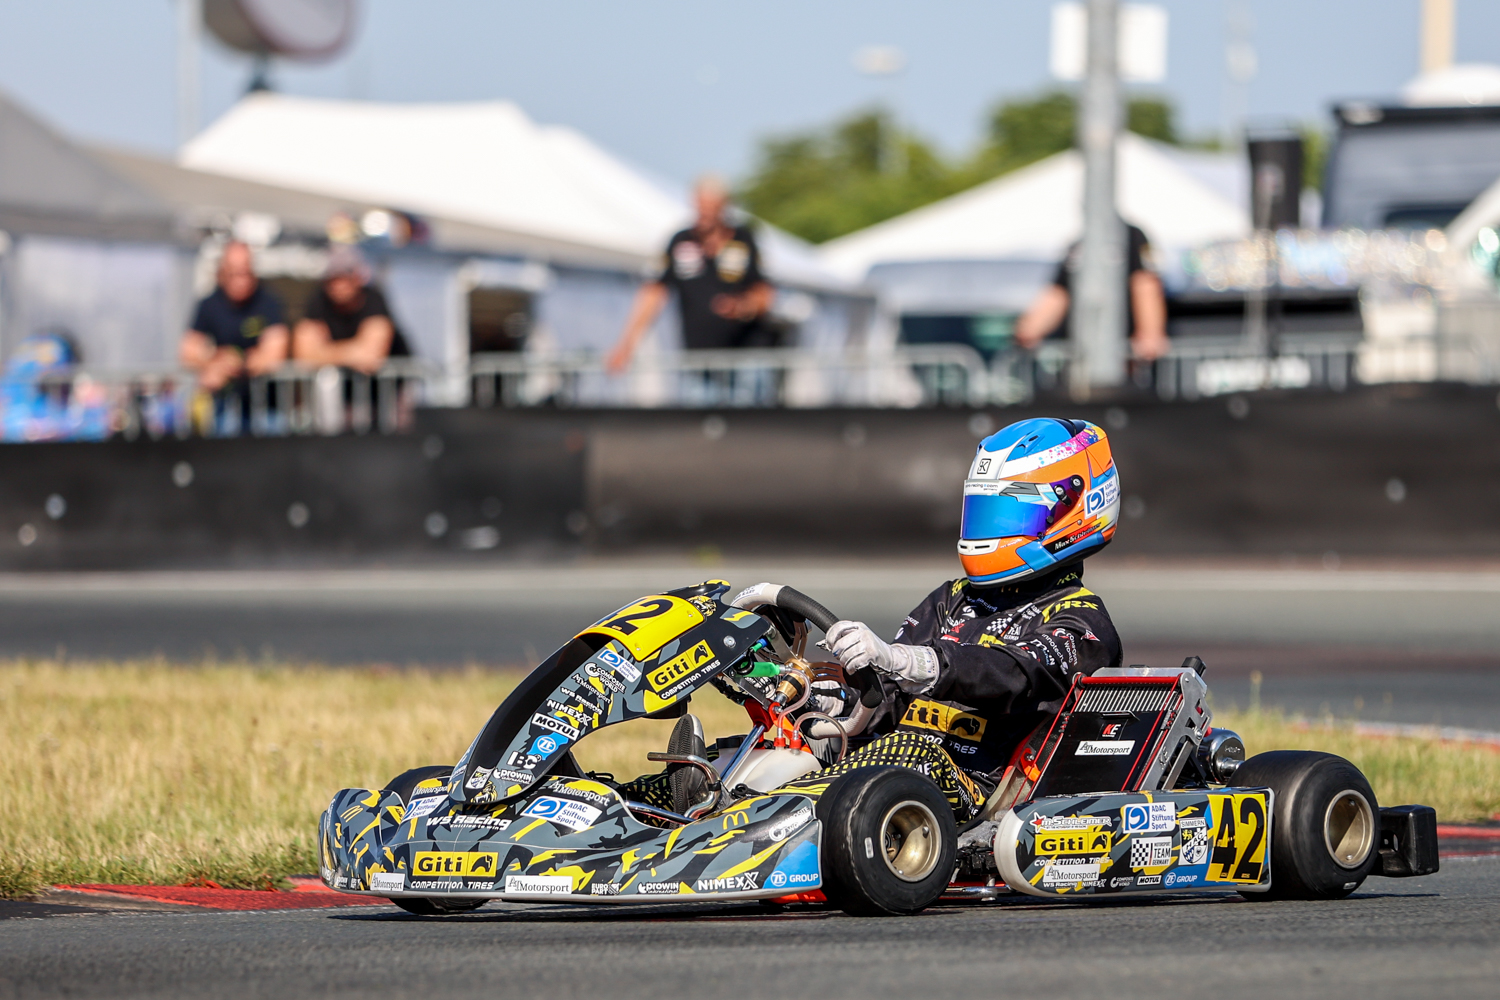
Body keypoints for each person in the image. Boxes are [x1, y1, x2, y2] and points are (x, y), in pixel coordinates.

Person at [624, 417, 1125, 824]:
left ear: (1074, 510)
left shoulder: (1080, 621)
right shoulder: (953, 600)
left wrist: (906, 659)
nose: (990, 531)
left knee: (894, 754)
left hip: (980, 790)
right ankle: (613, 811)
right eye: (985, 512)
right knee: (755, 751)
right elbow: (884, 699)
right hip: (886, 767)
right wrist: (808, 695)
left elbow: (1013, 674)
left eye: (1010, 514)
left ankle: (738, 812)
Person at [605, 175, 774, 374]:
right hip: (697, 358)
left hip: (743, 358)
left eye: (710, 207)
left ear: (724, 206)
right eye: (699, 206)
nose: (704, 213)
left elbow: (765, 294)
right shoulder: (681, 241)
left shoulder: (744, 239)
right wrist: (626, 345)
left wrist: (742, 307)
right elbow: (653, 292)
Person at [1015, 224, 1170, 362]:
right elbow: (1059, 291)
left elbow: (1145, 283)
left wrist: (1150, 333)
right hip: (1081, 352)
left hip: (1124, 355)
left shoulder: (1131, 234)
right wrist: (1030, 329)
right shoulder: (1080, 241)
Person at [180, 241, 289, 391]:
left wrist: (242, 362)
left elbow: (276, 352)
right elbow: (188, 351)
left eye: (245, 272)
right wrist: (215, 360)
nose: (241, 281)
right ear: (223, 271)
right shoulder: (209, 304)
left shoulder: (268, 302)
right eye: (234, 273)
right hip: (224, 400)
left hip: (264, 400)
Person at [293, 245, 408, 373]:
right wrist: (353, 352)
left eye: (344, 277)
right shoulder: (318, 300)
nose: (338, 285)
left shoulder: (374, 299)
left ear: (358, 277)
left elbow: (370, 356)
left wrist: (324, 353)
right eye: (332, 278)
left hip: (388, 389)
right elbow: (304, 357)